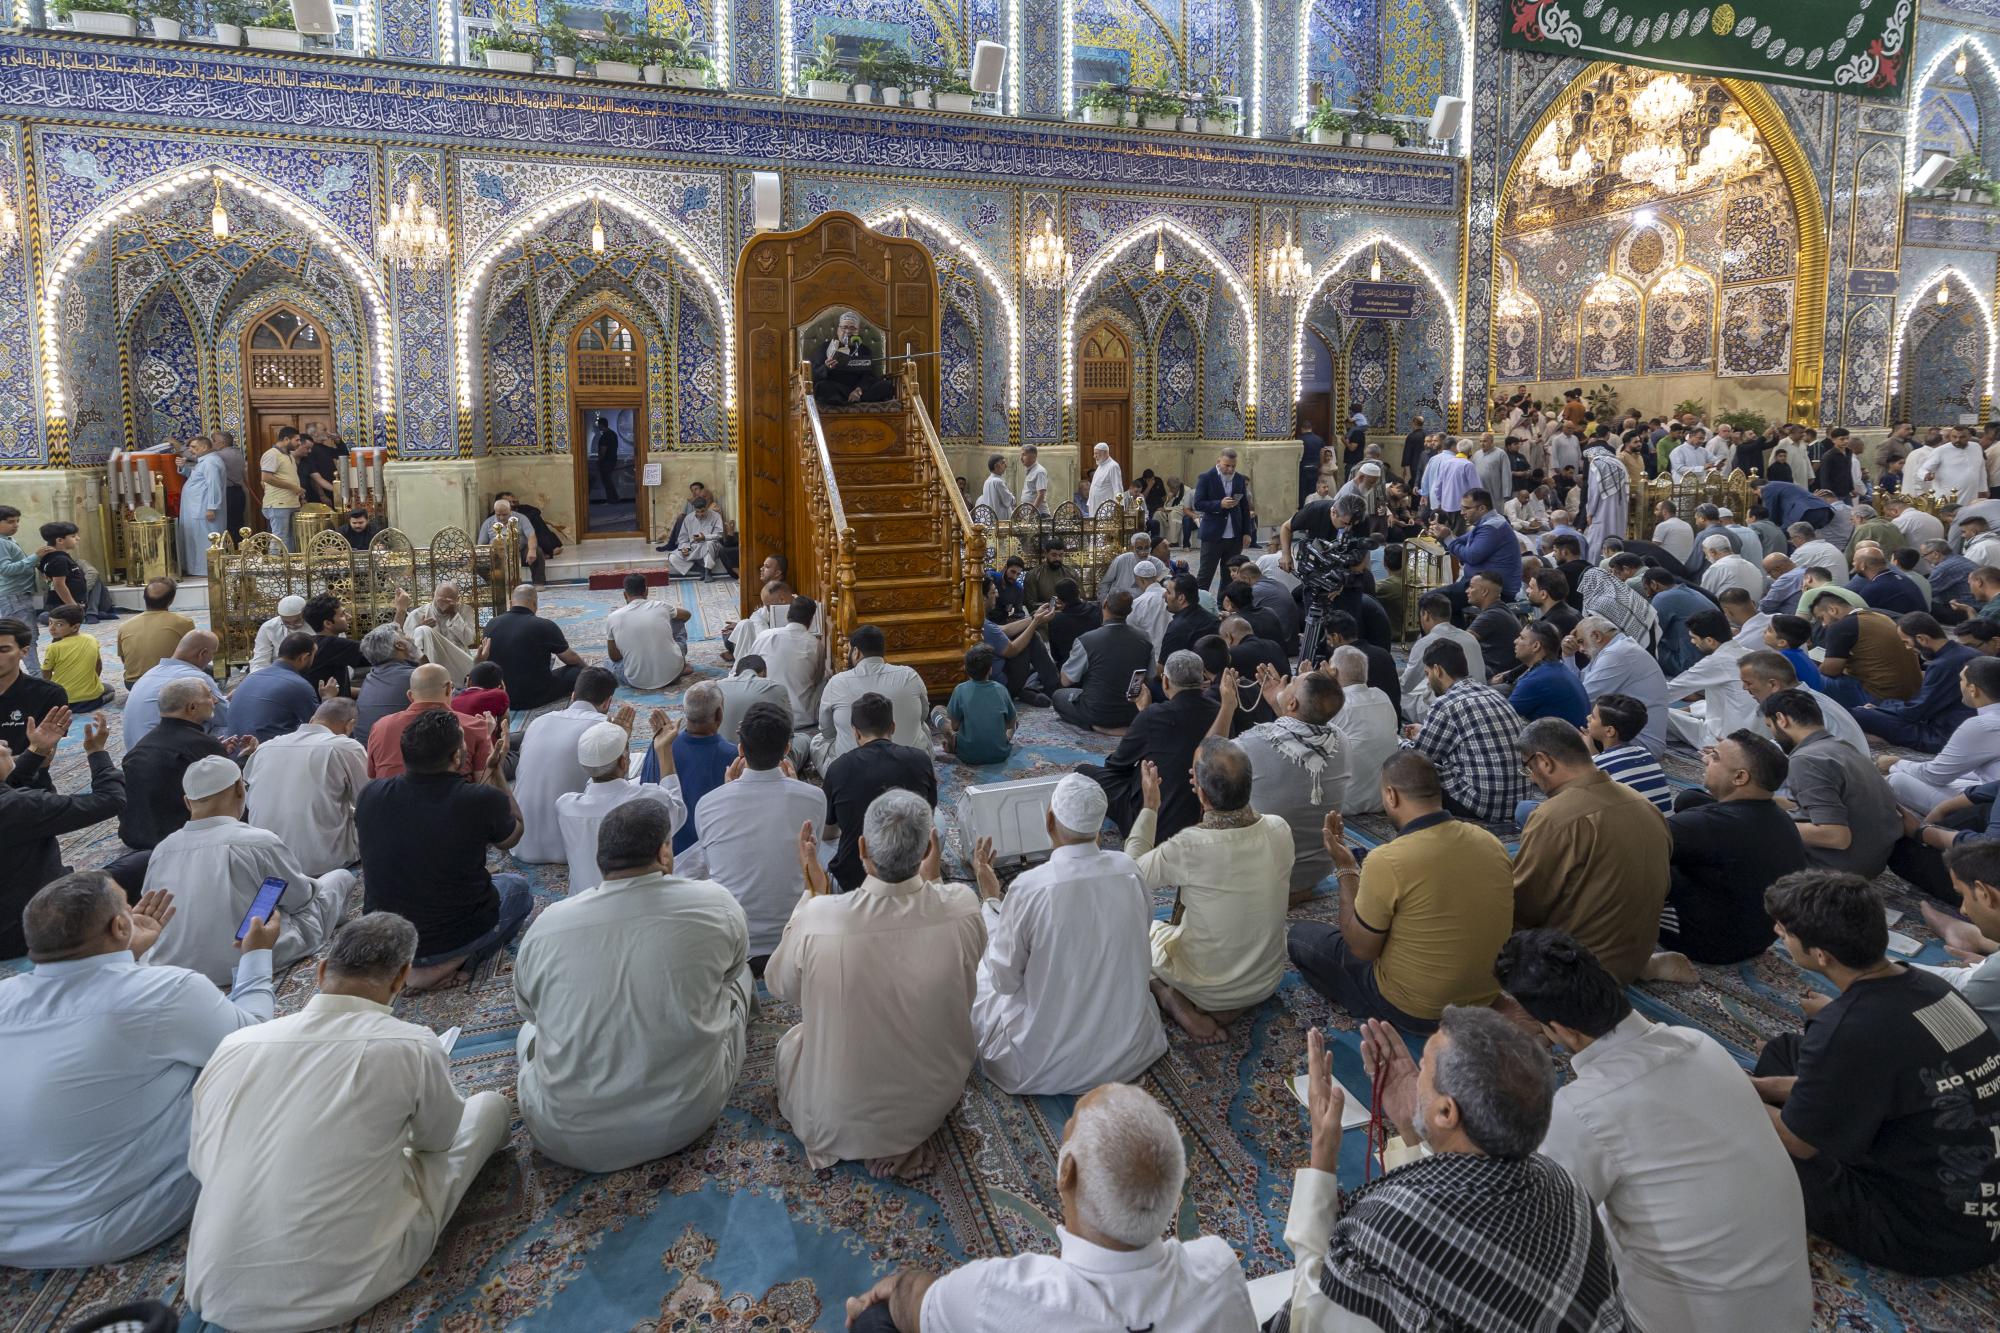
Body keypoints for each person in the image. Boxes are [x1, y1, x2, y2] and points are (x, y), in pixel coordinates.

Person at [183, 912, 510, 1329]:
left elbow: (202, 1162)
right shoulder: (410, 1044)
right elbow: (439, 1140)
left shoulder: (235, 1045)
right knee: (490, 1107)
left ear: (321, 971)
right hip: (339, 1286)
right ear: (401, 978)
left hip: (211, 1289)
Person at [1493, 930, 1812, 1332]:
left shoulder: (1583, 1110)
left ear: (1562, 1030)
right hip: (1790, 1313)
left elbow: (1531, 1229)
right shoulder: (1699, 1043)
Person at [1270, 1009, 1626, 1333]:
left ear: (1446, 1113)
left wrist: (1322, 1152)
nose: (1414, 1077)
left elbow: (1310, 1318)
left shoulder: (1384, 1230)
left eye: (1423, 1068)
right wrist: (1410, 1128)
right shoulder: (1563, 1182)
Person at [0, 874, 277, 1269]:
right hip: (111, 1225)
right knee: (225, 1070)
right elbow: (255, 1045)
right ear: (119, 926)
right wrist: (256, 955)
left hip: (10, 1233)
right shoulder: (167, 991)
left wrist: (127, 958)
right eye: (126, 908)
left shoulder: (5, 997)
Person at [847, 1083, 1252, 1333]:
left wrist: (898, 1286)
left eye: (1070, 1123)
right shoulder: (1218, 1267)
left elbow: (916, 1306)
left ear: (1066, 1173)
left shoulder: (998, 1293)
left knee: (873, 1321)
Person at [1751, 871, 2000, 1276]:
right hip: (1983, 1211)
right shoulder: (1932, 987)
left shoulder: (1846, 1029)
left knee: (1754, 1136)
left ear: (1821, 956)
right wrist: (1760, 1087)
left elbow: (1799, 1143)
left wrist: (1731, 1091)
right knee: (1785, 1052)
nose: (1780, 935)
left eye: (1786, 932)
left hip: (1927, 1235)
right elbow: (1892, 1076)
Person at [515, 796, 751, 1172]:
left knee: (530, 1032)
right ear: (664, 853)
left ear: (601, 860)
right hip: (685, 1118)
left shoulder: (547, 926)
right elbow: (730, 973)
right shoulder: (715, 903)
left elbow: (529, 1010)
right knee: (739, 978)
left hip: (565, 1137)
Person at [769, 790, 982, 1177]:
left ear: (862, 849)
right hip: (933, 1099)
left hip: (835, 1118)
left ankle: (875, 1136)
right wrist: (934, 884)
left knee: (791, 1046)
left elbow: (782, 988)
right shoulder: (964, 906)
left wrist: (812, 895)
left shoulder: (819, 918)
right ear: (928, 849)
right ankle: (903, 1134)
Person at [964, 774, 1167, 1096]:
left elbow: (1005, 981)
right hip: (1130, 1052)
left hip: (1040, 1066)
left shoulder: (1029, 888)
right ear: (1099, 828)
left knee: (978, 967)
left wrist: (990, 900)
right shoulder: (1129, 870)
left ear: (1049, 820)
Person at [1288, 750, 1513, 1031]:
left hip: (1417, 1011)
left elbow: (1361, 949)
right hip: (1484, 1000)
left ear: (1391, 795)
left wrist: (1346, 868)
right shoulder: (1490, 842)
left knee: (1301, 937)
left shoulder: (1389, 859)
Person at [1129, 738, 1292, 1043]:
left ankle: (1169, 996)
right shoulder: (1279, 828)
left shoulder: (1190, 846)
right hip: (1266, 981)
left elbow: (1128, 874)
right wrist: (1217, 790)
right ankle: (1231, 1005)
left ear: (1201, 792)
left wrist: (1150, 807)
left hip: (1205, 988)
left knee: (1129, 933)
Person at [357, 709, 532, 990]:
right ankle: (454, 962)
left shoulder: (370, 795)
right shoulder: (480, 799)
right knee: (518, 890)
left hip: (384, 939)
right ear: (456, 757)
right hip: (445, 940)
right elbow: (513, 836)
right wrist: (497, 774)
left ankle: (411, 965)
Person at [138, 754, 350, 985]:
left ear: (188, 802)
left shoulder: (162, 849)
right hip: (251, 956)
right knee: (340, 878)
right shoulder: (258, 842)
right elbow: (300, 900)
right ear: (240, 789)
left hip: (175, 965)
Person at [1510, 718, 1671, 986]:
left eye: (1529, 769)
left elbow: (1525, 905)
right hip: (1638, 952)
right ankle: (1645, 966)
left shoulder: (1554, 817)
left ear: (1544, 762)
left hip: (1578, 970)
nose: (1532, 778)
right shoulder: (1644, 804)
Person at [677, 701, 821, 973]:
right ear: (787, 750)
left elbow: (714, 865)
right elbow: (808, 859)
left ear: (740, 750)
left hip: (736, 942)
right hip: (794, 936)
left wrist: (727, 794)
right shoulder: (814, 798)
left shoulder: (708, 804)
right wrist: (797, 789)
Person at [1658, 730, 1805, 966]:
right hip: (1761, 936)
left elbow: (1630, 848)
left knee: (1631, 861)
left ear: (1739, 777)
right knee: (1689, 799)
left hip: (1707, 943)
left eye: (1715, 757)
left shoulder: (1703, 825)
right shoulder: (1782, 819)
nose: (1705, 760)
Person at [0, 706, 121, 956]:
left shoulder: (16, 804)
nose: (3, 742)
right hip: (30, 927)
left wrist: (37, 752)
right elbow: (111, 800)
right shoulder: (21, 807)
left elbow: (11, 788)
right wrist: (97, 752)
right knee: (146, 861)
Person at [1759, 688, 1901, 881]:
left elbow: (1835, 836)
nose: (1773, 735)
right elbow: (1821, 803)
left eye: (1770, 726)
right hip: (1872, 860)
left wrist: (1767, 824)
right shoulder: (1842, 748)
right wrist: (1764, 802)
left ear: (1781, 719)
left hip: (1835, 869)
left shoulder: (1806, 759)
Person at [1079, 650, 1219, 839]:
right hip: (1205, 815)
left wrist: (1145, 715)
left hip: (1155, 824)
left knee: (1083, 772)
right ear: (1203, 678)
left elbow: (1117, 764)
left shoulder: (1154, 715)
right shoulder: (1221, 713)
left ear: (1165, 682)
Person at [1400, 638, 1530, 822]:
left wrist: (1397, 743)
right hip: (1518, 800)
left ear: (1437, 670)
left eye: (1427, 674)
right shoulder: (1493, 693)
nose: (1428, 681)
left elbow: (1418, 758)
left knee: (1410, 767)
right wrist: (1424, 732)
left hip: (1483, 804)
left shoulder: (1446, 703)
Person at [554, 714, 686, 892]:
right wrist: (664, 750)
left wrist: (612, 746)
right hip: (632, 901)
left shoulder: (565, 806)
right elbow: (678, 811)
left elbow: (599, 786)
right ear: (624, 762)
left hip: (582, 899)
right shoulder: (650, 800)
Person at [822, 692, 937, 892]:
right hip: (911, 874)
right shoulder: (920, 759)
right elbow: (929, 814)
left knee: (819, 843)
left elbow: (828, 831)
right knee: (938, 823)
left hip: (854, 881)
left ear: (856, 732)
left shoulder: (838, 768)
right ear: (892, 727)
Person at [242, 697, 368, 876]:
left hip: (266, 862)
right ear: (350, 725)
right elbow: (368, 801)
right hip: (325, 864)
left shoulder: (265, 747)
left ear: (312, 720)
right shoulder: (345, 746)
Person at [513, 666, 622, 863]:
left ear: (573, 695)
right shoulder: (603, 726)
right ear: (608, 702)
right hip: (571, 848)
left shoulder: (539, 721)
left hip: (520, 841)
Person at [814, 624, 930, 770]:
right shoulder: (910, 675)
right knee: (923, 727)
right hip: (911, 768)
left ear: (855, 652)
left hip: (852, 771)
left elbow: (827, 731)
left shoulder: (836, 682)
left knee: (818, 740)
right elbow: (923, 715)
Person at [1852, 611, 1976, 748]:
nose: (1907, 647)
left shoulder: (1943, 665)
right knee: (1879, 706)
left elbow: (1915, 711)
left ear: (1921, 639)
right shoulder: (1969, 653)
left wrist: (1881, 708)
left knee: (1859, 714)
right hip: (1962, 726)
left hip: (1943, 736)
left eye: (1906, 642)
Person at [367, 661, 495, 780]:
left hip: (390, 796)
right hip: (451, 796)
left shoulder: (380, 727)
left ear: (410, 696)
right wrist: (487, 736)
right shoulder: (474, 726)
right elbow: (486, 782)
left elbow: (372, 776)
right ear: (449, 689)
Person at [1053, 589, 1153, 733]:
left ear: (1105, 604)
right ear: (1130, 610)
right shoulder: (1145, 638)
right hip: (1132, 712)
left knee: (1058, 696)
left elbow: (1065, 681)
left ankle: (1098, 726)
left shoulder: (1086, 640)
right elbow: (1149, 678)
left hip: (1097, 713)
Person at [1569, 614, 1670, 757]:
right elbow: (1578, 684)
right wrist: (1568, 656)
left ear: (1596, 636)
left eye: (1581, 641)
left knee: (1564, 725)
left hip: (1640, 744)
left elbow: (1582, 700)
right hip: (1629, 734)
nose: (1579, 649)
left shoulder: (1618, 653)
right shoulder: (1614, 649)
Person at [478, 583, 584, 710]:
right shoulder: (544, 625)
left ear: (511, 603)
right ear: (535, 603)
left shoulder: (491, 623)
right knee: (577, 671)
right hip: (534, 696)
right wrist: (587, 669)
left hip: (501, 695)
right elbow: (570, 658)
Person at [1811, 592, 1922, 707]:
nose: (1823, 625)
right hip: (1912, 692)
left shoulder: (1840, 627)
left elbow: (1830, 671)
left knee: (1813, 679)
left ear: (1832, 610)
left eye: (1821, 618)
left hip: (1880, 696)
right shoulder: (1879, 616)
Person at [1326, 646, 1398, 815]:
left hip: (1343, 803)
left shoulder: (1336, 705)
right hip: (1383, 799)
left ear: (1333, 672)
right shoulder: (1382, 696)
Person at [226, 630, 325, 742]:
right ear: (304, 657)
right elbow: (320, 727)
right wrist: (327, 699)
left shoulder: (250, 678)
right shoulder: (298, 685)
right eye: (314, 656)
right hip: (267, 750)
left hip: (234, 748)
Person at [1400, 592, 1484, 722]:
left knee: (1396, 695)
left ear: (1425, 615)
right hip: (1478, 701)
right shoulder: (1470, 637)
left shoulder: (1426, 642)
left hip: (1445, 709)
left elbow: (1406, 685)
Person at [750, 593, 827, 729]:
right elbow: (817, 679)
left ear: (787, 615)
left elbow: (750, 667)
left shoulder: (765, 635)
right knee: (827, 677)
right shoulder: (815, 644)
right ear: (811, 621)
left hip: (764, 713)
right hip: (800, 718)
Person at [604, 572, 686, 689]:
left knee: (608, 663)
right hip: (673, 673)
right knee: (678, 618)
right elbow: (686, 615)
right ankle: (678, 663)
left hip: (637, 681)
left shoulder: (613, 617)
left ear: (625, 594)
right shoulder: (661, 606)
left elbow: (614, 657)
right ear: (646, 591)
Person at [937, 644, 1015, 765]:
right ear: (990, 669)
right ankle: (1002, 741)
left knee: (937, 711)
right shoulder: (1001, 689)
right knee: (1015, 720)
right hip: (1000, 753)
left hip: (967, 755)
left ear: (966, 669)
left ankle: (953, 744)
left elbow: (955, 726)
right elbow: (1010, 724)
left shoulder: (960, 690)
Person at [1506, 620, 1590, 725]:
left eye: (1521, 638)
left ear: (1536, 646)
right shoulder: (1556, 669)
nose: (1515, 641)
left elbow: (1504, 716)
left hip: (1562, 735)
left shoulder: (1536, 679)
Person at [1192, 447, 1252, 591]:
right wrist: (1219, 504)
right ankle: (1201, 602)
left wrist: (1247, 532)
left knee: (1230, 576)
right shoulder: (1206, 477)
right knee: (1205, 574)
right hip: (1213, 535)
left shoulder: (1239, 479)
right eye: (1227, 465)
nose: (1230, 469)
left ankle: (1224, 602)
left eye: (1233, 466)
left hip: (1234, 536)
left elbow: (1244, 507)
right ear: (1218, 461)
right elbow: (1198, 503)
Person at [115, 577, 195, 686]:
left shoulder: (124, 626)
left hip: (133, 683)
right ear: (172, 600)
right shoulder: (184, 622)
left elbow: (124, 659)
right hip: (170, 682)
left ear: (144, 597)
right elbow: (194, 657)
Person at [402, 580, 478, 688]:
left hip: (457, 661)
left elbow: (469, 640)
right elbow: (407, 647)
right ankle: (429, 681)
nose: (444, 604)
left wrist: (454, 615)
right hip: (432, 661)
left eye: (449, 601)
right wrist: (420, 629)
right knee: (422, 630)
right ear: (434, 595)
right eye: (441, 599)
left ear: (456, 599)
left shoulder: (465, 610)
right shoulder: (417, 614)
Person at [297, 592, 372, 699]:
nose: (349, 617)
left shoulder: (314, 642)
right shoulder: (332, 644)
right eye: (342, 614)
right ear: (328, 623)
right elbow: (382, 652)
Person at [351, 623, 416, 743]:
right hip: (398, 751)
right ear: (400, 645)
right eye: (404, 634)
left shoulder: (372, 676)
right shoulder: (414, 677)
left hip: (366, 749)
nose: (410, 637)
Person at [175, 436, 226, 576]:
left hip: (203, 509)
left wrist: (211, 508)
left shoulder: (210, 462)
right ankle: (197, 569)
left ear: (204, 447)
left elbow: (214, 485)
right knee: (196, 540)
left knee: (205, 540)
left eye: (193, 447)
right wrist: (183, 466)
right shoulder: (203, 461)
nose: (190, 450)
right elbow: (195, 477)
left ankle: (206, 570)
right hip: (196, 508)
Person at [41, 605, 107, 710]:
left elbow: (46, 672)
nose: (51, 628)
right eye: (50, 622)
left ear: (75, 627)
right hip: (92, 700)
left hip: (63, 701)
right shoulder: (92, 639)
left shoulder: (53, 647)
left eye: (59, 624)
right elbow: (98, 665)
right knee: (108, 689)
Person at [715, 653, 792, 744]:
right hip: (766, 750)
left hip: (724, 748)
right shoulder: (776, 687)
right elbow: (789, 730)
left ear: (737, 673)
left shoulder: (717, 687)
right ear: (764, 672)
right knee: (803, 739)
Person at [1462, 570, 1521, 678]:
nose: (1467, 591)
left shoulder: (1491, 615)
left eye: (1471, 587)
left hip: (1496, 675)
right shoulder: (1500, 610)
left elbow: (1461, 644)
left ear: (1484, 591)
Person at [257, 428, 304, 548]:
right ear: (286, 439)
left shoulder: (289, 456)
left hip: (291, 503)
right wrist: (293, 487)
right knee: (280, 538)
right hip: (278, 504)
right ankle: (275, 560)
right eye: (297, 440)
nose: (299, 443)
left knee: (292, 539)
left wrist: (297, 490)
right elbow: (266, 478)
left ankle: (289, 561)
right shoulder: (272, 454)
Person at [666, 494, 724, 579]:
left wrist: (705, 538)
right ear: (694, 509)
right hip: (694, 547)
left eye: (703, 511)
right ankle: (701, 570)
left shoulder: (715, 516)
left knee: (709, 544)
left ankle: (708, 571)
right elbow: (683, 539)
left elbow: (719, 535)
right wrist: (684, 548)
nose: (700, 514)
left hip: (711, 547)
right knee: (672, 557)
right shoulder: (688, 518)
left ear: (706, 508)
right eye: (697, 512)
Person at [246, 594, 307, 672]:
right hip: (278, 672)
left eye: (297, 621)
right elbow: (260, 660)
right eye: (287, 622)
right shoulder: (268, 627)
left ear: (305, 614)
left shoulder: (315, 625)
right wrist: (260, 676)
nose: (292, 625)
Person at [1084, 440, 1124, 514]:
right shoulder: (1100, 465)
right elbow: (1094, 486)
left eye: (1096, 453)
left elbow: (1118, 488)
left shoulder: (1113, 466)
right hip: (1094, 507)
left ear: (1105, 453)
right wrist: (1089, 502)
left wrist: (1119, 508)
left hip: (1106, 510)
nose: (1094, 456)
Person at [977, 452, 1017, 517]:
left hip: (991, 519)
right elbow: (1008, 500)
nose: (1006, 465)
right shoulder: (998, 482)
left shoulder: (987, 481)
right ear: (996, 466)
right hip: (1001, 520)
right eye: (1003, 463)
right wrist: (1013, 498)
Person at [591, 413, 620, 502]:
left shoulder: (604, 436)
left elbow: (603, 450)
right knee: (608, 480)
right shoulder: (613, 434)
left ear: (601, 425)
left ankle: (612, 499)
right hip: (613, 460)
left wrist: (599, 460)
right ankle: (614, 498)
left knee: (607, 481)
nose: (597, 427)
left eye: (598, 425)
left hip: (606, 462)